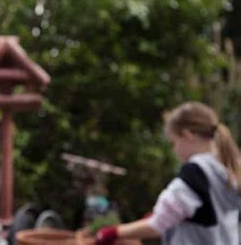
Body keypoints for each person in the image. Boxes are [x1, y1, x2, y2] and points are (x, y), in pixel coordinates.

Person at [96, 101, 241, 245]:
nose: (174, 150)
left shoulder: (195, 173)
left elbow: (157, 225)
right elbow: (202, 214)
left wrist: (112, 232)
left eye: (174, 142)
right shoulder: (228, 168)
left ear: (187, 134)